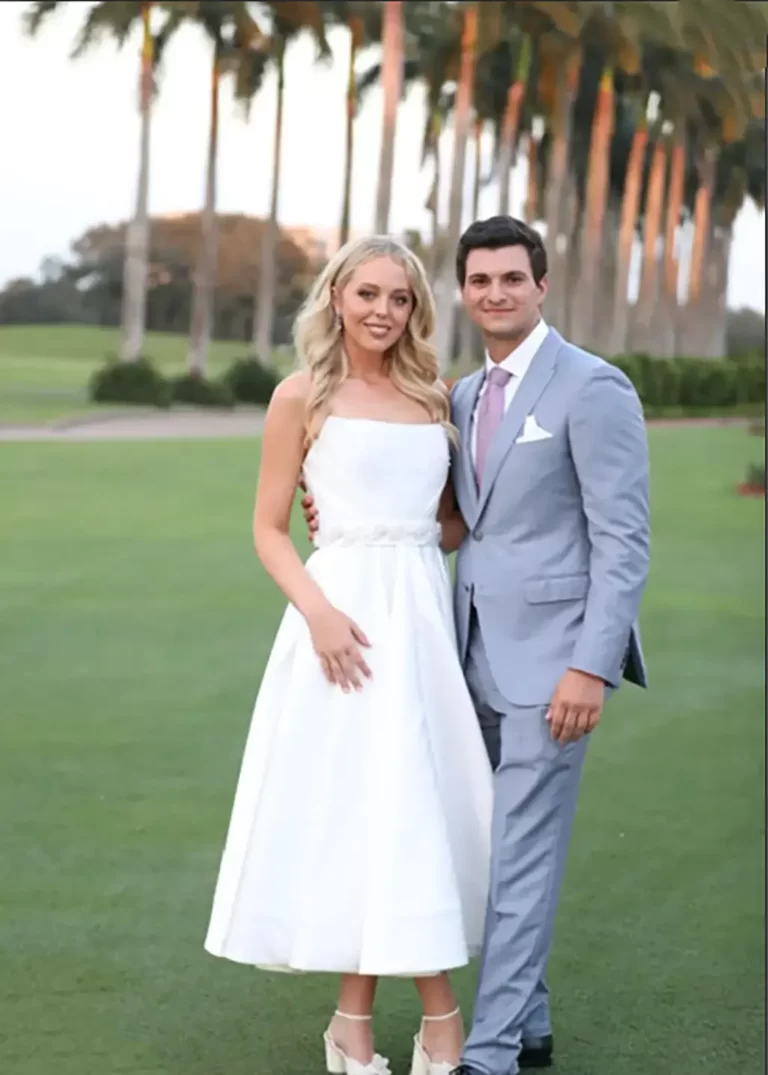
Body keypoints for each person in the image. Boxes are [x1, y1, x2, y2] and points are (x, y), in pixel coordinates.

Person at [302, 216, 651, 1075]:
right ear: (463, 291)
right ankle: (527, 1022)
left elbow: (624, 540)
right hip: (457, 659)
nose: (496, 292)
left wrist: (590, 663)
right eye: (481, 280)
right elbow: (454, 521)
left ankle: (485, 1054)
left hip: (552, 667)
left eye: (512, 278)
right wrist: (348, 515)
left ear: (541, 286)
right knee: (486, 848)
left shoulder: (593, 386)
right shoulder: (454, 396)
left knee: (523, 856)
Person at [204, 235, 494, 1075]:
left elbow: (447, 521)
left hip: (419, 619)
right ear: (336, 297)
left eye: (398, 298)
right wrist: (321, 611)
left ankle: (356, 1024)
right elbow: (268, 527)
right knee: (363, 809)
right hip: (339, 628)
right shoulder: (301, 395)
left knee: (408, 809)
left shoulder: (434, 394)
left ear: (415, 309)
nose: (381, 310)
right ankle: (429, 1020)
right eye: (366, 293)